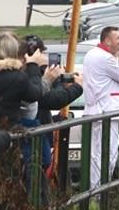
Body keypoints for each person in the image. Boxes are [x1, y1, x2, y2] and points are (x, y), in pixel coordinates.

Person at [18, 35, 84, 202]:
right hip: (30, 138)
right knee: (33, 184)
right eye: (41, 53)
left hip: (37, 134)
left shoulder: (28, 73)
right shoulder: (24, 75)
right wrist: (76, 87)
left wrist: (56, 81)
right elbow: (48, 99)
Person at [0, 32, 44, 208]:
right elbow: (35, 94)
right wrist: (33, 66)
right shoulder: (17, 76)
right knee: (9, 178)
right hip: (8, 136)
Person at [83, 26, 119, 189]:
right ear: (107, 41)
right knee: (107, 154)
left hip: (97, 109)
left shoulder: (91, 55)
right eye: (118, 38)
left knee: (96, 154)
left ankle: (96, 191)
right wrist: (117, 56)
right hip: (107, 111)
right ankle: (99, 191)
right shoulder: (106, 58)